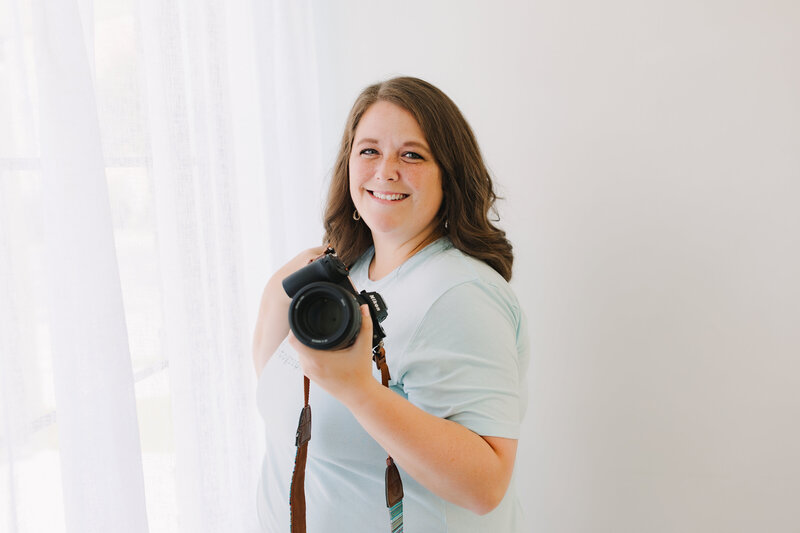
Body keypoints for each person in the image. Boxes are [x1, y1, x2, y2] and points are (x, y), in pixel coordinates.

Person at [253, 76, 530, 532]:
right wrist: (277, 291)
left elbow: (486, 486)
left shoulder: (460, 293)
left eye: (412, 154)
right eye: (369, 151)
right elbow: (275, 383)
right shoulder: (345, 271)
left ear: (450, 175)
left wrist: (360, 392)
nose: (385, 171)